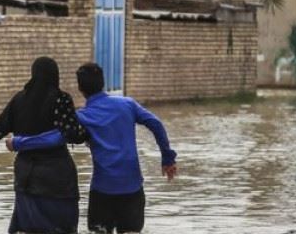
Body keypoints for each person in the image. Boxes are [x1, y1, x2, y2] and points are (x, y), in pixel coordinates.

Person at [10, 63, 178, 234]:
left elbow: (55, 138)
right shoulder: (127, 105)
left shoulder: (83, 116)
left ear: (80, 88)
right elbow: (156, 124)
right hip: (132, 189)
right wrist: (168, 158)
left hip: (103, 191)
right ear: (102, 83)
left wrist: (18, 142)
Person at [0, 57, 88, 234]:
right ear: (55, 75)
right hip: (57, 177)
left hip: (26, 177)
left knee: (28, 228)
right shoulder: (61, 99)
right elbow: (72, 134)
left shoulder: (19, 100)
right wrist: (86, 132)